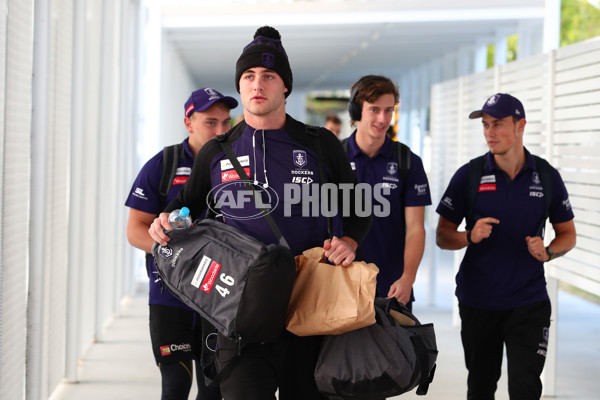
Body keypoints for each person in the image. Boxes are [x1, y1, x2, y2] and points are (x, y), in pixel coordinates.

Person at [148, 26, 370, 400]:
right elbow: (182, 206)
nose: (258, 84)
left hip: (310, 306)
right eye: (249, 76)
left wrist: (349, 240)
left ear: (285, 87)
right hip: (239, 310)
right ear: (239, 85)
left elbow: (358, 208)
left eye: (269, 76)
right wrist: (164, 220)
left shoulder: (319, 145)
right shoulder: (216, 151)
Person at [435, 93, 576, 399]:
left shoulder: (546, 176)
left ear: (520, 125)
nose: (489, 132)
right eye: (485, 125)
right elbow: (442, 235)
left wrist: (548, 251)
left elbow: (568, 234)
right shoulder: (469, 175)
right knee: (482, 387)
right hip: (479, 302)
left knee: (526, 389)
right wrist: (468, 236)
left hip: (529, 302)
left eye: (497, 124)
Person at [125, 87, 238, 399]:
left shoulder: (236, 166)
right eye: (210, 122)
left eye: (226, 123)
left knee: (212, 391)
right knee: (174, 386)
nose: (220, 130)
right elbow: (135, 230)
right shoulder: (164, 164)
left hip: (220, 296)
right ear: (188, 123)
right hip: (169, 297)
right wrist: (177, 256)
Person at [341, 75, 431, 310]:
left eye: (388, 110)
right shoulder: (333, 158)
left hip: (392, 287)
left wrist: (408, 278)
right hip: (341, 285)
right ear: (356, 110)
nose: (383, 119)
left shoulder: (407, 161)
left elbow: (415, 229)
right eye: (374, 110)